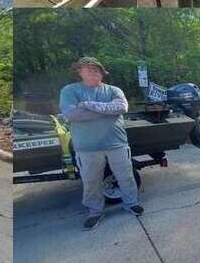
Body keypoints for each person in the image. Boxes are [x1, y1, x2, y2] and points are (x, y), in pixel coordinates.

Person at [59, 57, 142, 230]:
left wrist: (88, 105)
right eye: (87, 68)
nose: (92, 71)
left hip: (117, 143)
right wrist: (106, 110)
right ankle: (94, 212)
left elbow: (121, 108)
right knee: (91, 181)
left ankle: (131, 203)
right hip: (86, 147)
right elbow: (72, 115)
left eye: (96, 69)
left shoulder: (113, 90)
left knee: (126, 176)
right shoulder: (70, 90)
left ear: (102, 73)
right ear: (79, 72)